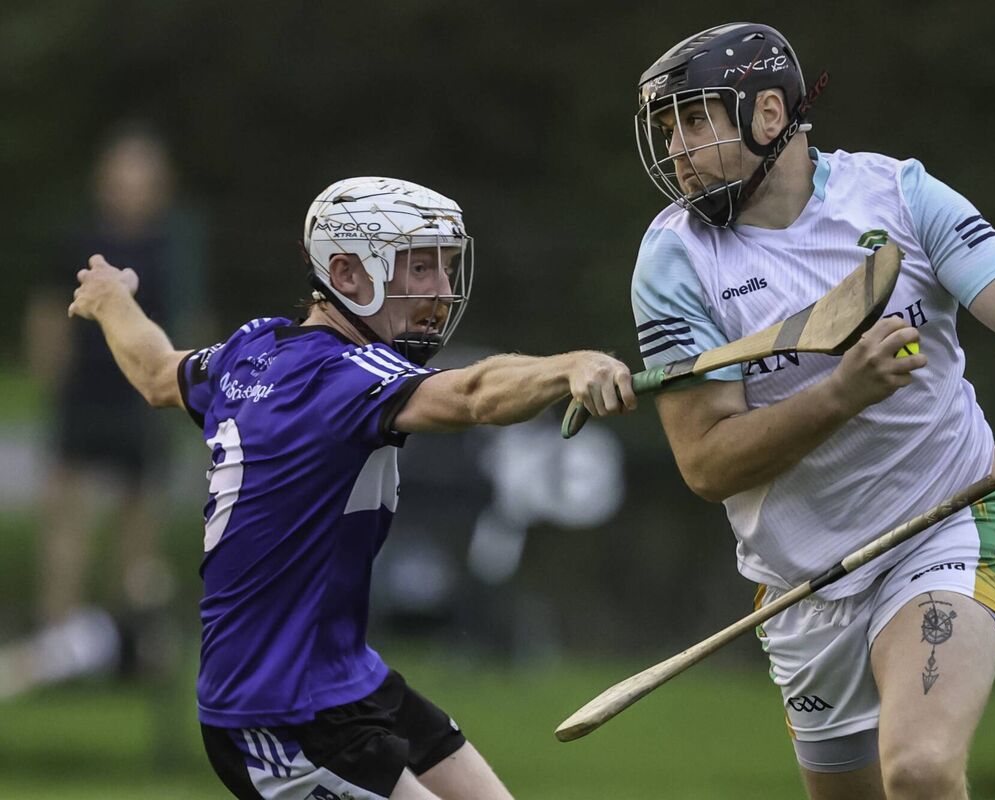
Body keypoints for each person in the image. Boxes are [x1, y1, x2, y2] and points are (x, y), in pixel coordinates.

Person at [66, 176, 635, 800]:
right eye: (419, 267)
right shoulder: (341, 377)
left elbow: (155, 372)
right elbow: (473, 396)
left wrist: (111, 301)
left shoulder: (252, 351)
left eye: (447, 267)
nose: (441, 291)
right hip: (272, 713)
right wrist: (572, 366)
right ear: (346, 273)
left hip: (346, 680)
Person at [628, 23, 995, 800]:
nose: (676, 149)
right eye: (667, 130)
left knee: (922, 769)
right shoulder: (676, 259)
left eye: (695, 121)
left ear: (769, 113)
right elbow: (706, 464)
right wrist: (841, 394)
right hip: (802, 584)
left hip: (945, 523)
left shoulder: (897, 195)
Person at [7, 124, 204, 697]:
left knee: (139, 524)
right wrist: (51, 375)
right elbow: (48, 312)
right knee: (67, 516)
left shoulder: (173, 248)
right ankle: (58, 641)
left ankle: (137, 642)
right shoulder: (80, 241)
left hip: (144, 400)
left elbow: (190, 324)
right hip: (85, 395)